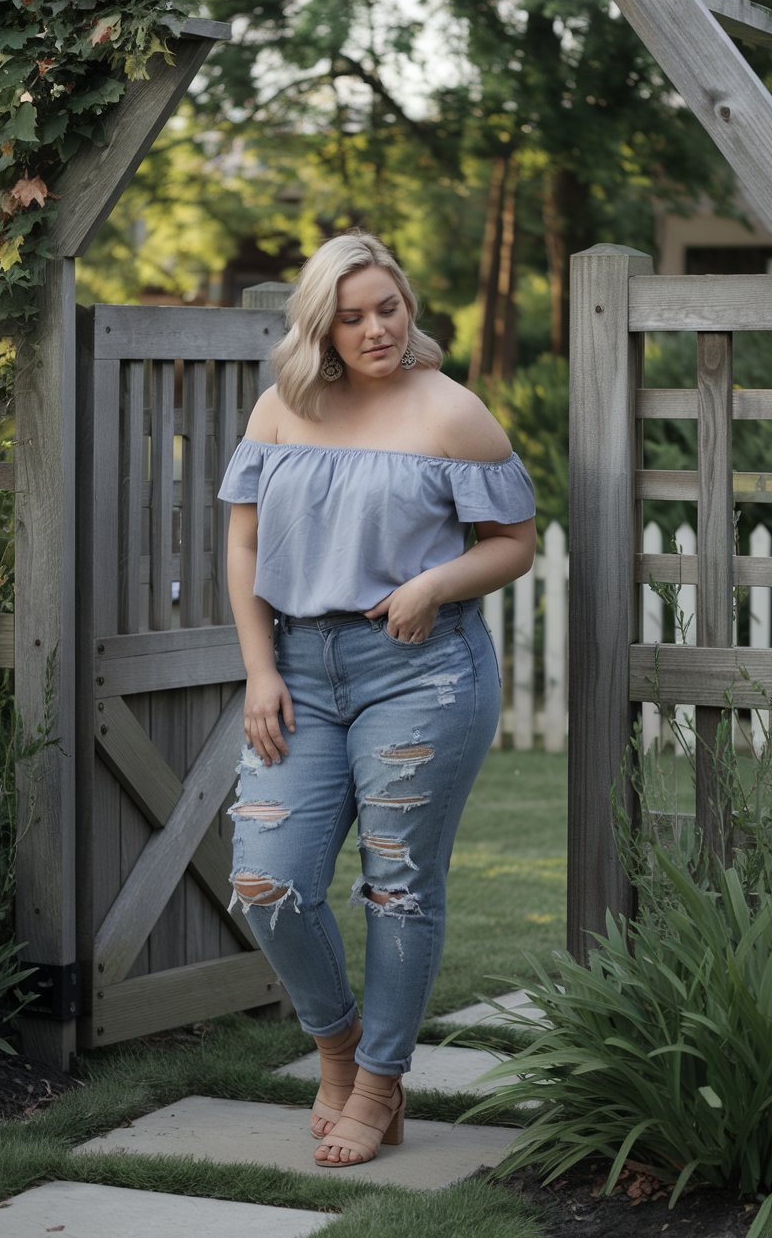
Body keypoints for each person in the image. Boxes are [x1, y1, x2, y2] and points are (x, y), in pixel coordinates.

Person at [218, 229, 536, 1168]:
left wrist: (434, 585)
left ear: (408, 303)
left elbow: (513, 540)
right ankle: (339, 1049)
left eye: (387, 308)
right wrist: (260, 669)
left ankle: (383, 1083)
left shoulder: (452, 412)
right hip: (299, 675)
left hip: (424, 674)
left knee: (398, 887)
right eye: (351, 317)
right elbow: (243, 548)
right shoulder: (281, 409)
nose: (376, 330)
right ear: (320, 327)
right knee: (265, 882)